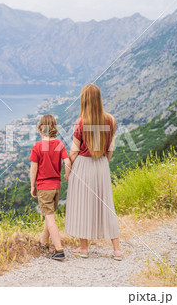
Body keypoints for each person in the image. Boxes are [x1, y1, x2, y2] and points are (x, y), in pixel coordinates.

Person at [65, 83, 122, 261]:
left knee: (84, 205)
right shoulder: (110, 120)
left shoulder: (81, 122)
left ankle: (84, 249)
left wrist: (67, 170)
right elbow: (111, 148)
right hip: (102, 164)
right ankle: (117, 250)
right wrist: (104, 163)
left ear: (84, 100)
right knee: (107, 205)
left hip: (83, 165)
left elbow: (74, 151)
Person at [30, 114, 72, 261]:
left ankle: (59, 250)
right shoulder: (59, 144)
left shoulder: (37, 146)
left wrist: (32, 186)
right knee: (49, 216)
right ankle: (43, 243)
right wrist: (67, 175)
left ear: (40, 128)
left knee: (50, 218)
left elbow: (33, 169)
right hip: (56, 187)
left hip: (44, 187)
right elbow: (67, 162)